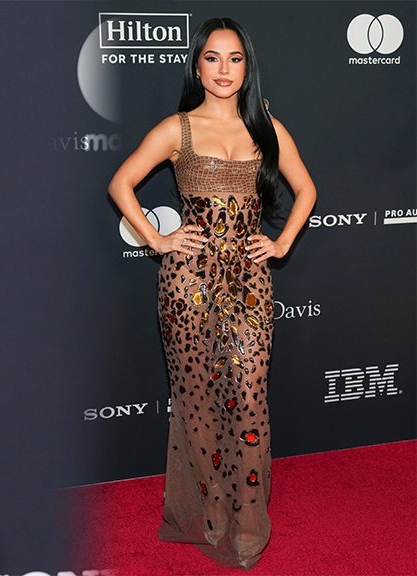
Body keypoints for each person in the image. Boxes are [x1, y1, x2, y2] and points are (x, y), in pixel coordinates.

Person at [108, 18, 316, 569]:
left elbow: (306, 189)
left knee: (248, 395)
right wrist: (158, 240)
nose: (224, 70)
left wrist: (281, 243)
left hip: (249, 282)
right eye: (213, 58)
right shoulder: (177, 129)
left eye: (235, 59)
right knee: (197, 401)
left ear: (247, 68)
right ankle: (213, 512)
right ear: (197, 67)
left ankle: (248, 521)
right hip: (187, 282)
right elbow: (120, 182)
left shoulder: (266, 127)